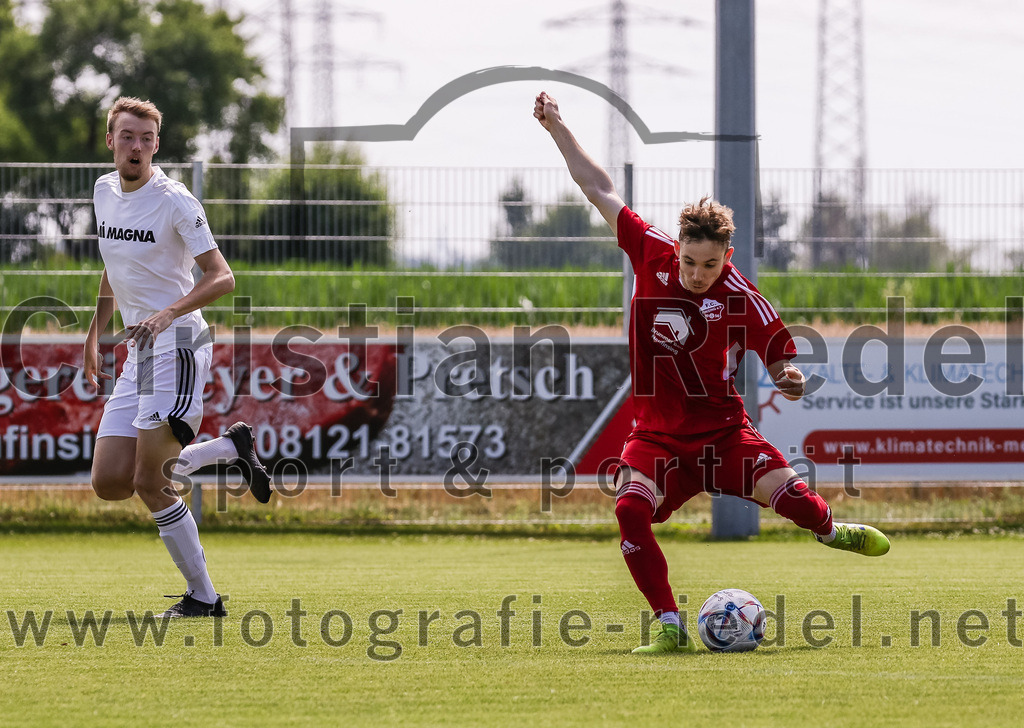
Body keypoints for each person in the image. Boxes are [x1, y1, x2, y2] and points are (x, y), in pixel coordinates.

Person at [533, 91, 890, 654]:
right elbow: (598, 187)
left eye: (710, 264)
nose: (698, 274)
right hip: (655, 436)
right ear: (675, 248)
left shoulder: (739, 294)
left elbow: (779, 354)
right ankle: (670, 627)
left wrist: (788, 376)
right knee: (629, 509)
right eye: (690, 261)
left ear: (727, 256)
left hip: (723, 434)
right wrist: (558, 128)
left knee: (795, 503)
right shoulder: (647, 250)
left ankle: (829, 530)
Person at [83, 96, 272, 618]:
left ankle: (204, 599)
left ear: (156, 145)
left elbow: (222, 276)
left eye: (146, 138)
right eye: (127, 136)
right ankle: (229, 450)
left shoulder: (176, 200)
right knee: (110, 481)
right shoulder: (103, 191)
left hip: (180, 344)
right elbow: (111, 264)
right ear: (111, 141)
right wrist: (94, 333)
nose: (136, 146)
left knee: (149, 481)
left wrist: (168, 313)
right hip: (138, 351)